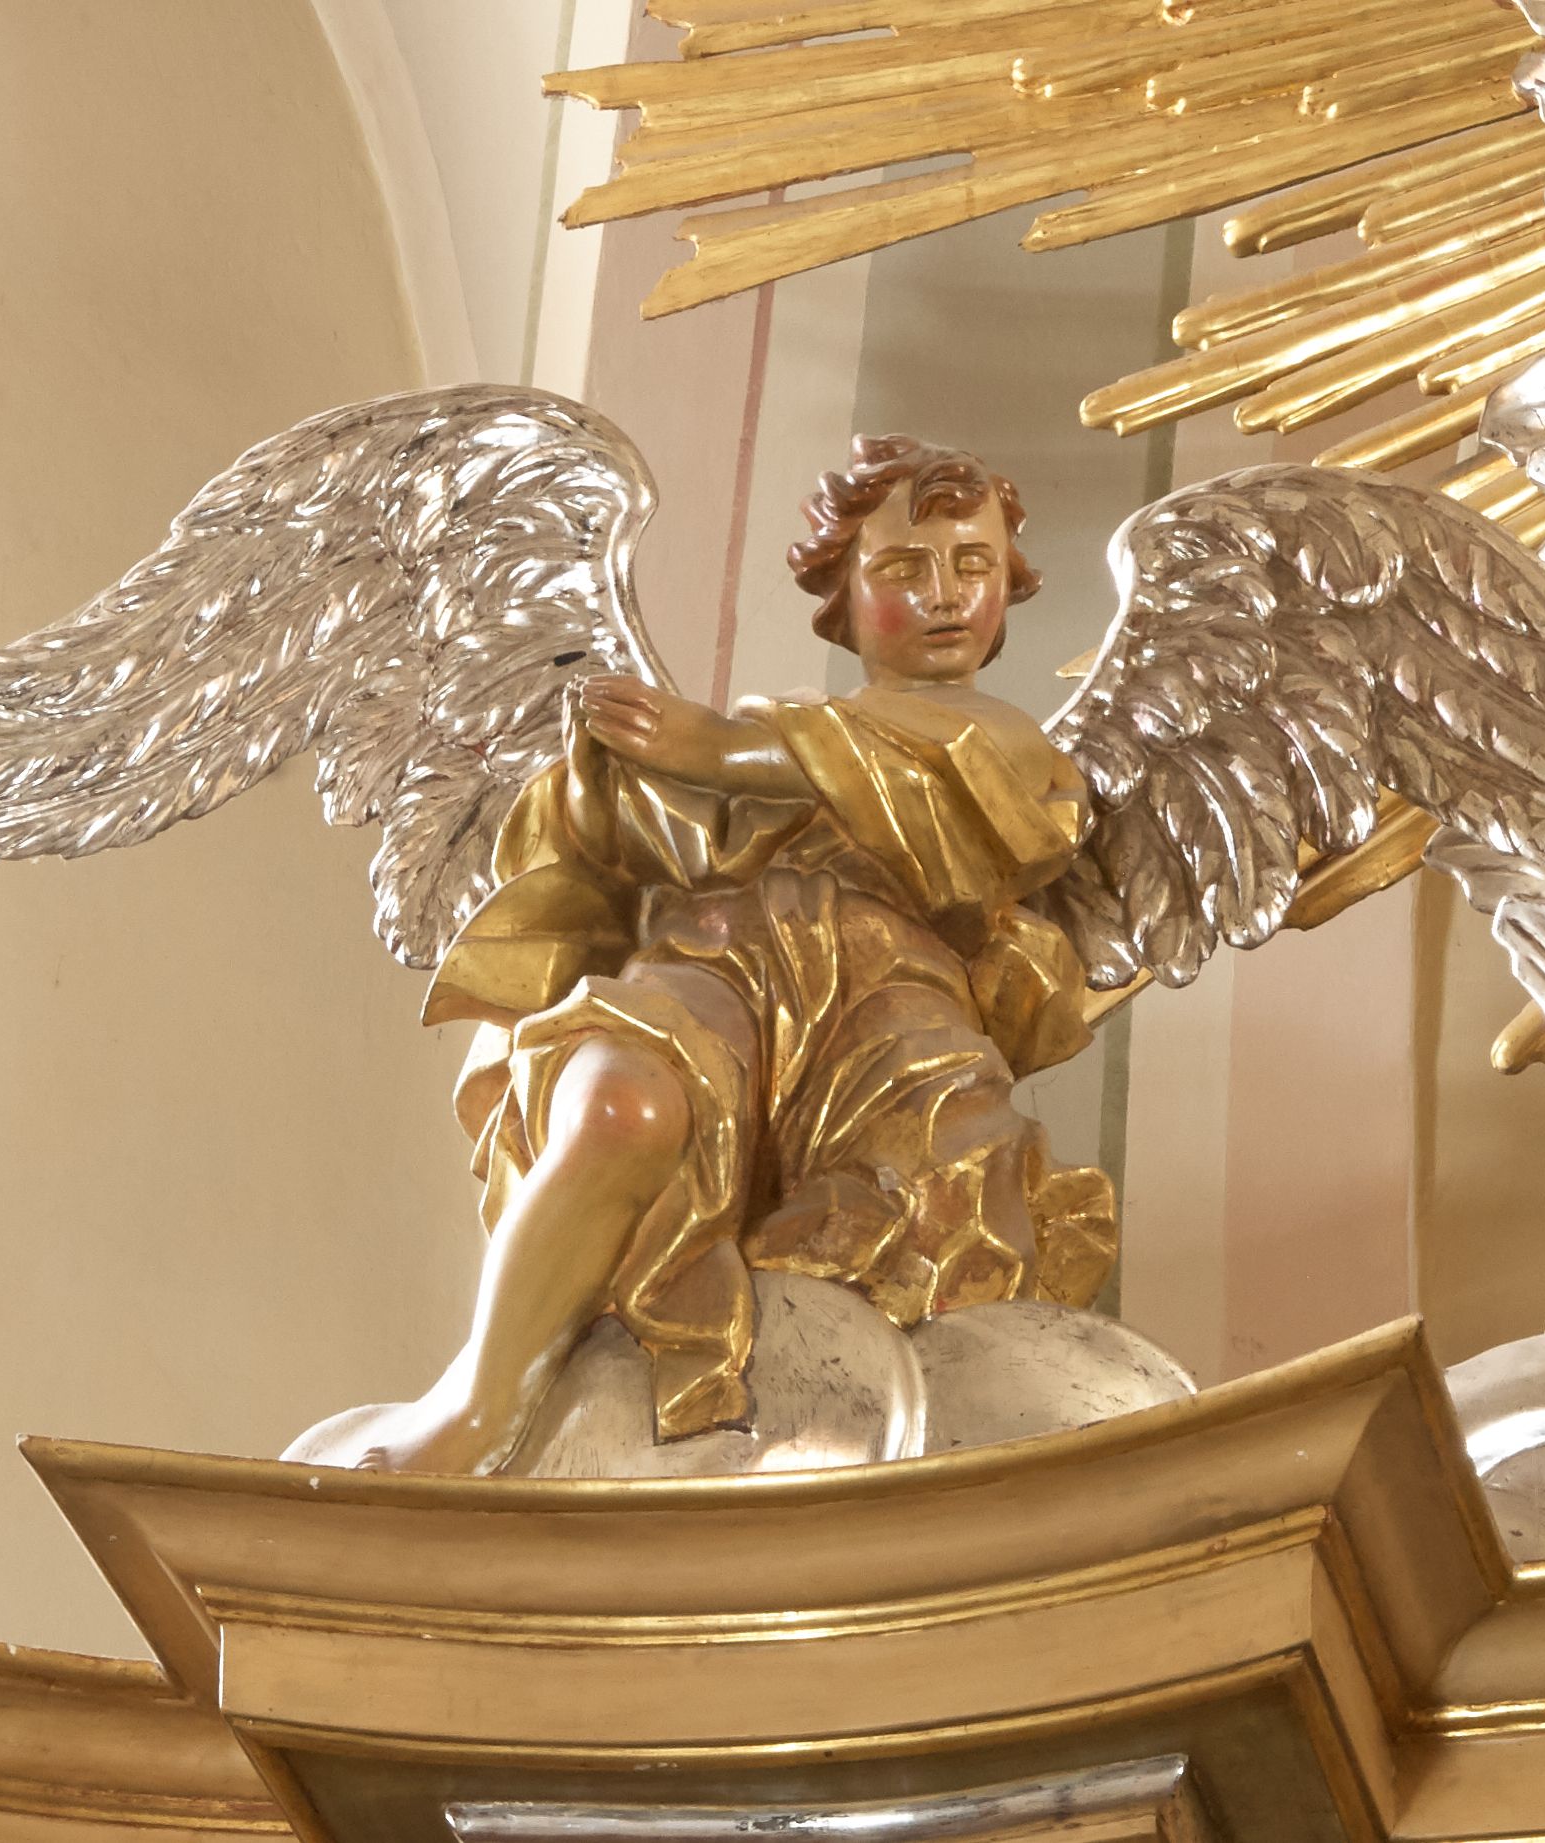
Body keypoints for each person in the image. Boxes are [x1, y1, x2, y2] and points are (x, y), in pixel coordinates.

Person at [343, 436, 1118, 1473]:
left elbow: (927, 783)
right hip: (715, 966)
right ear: (843, 593)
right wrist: (602, 760)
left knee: (915, 1236)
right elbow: (621, 852)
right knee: (618, 1111)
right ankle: (477, 1404)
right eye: (903, 567)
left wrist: (713, 750)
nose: (944, 595)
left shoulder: (1002, 742)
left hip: (892, 1020)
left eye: (972, 564)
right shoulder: (779, 734)